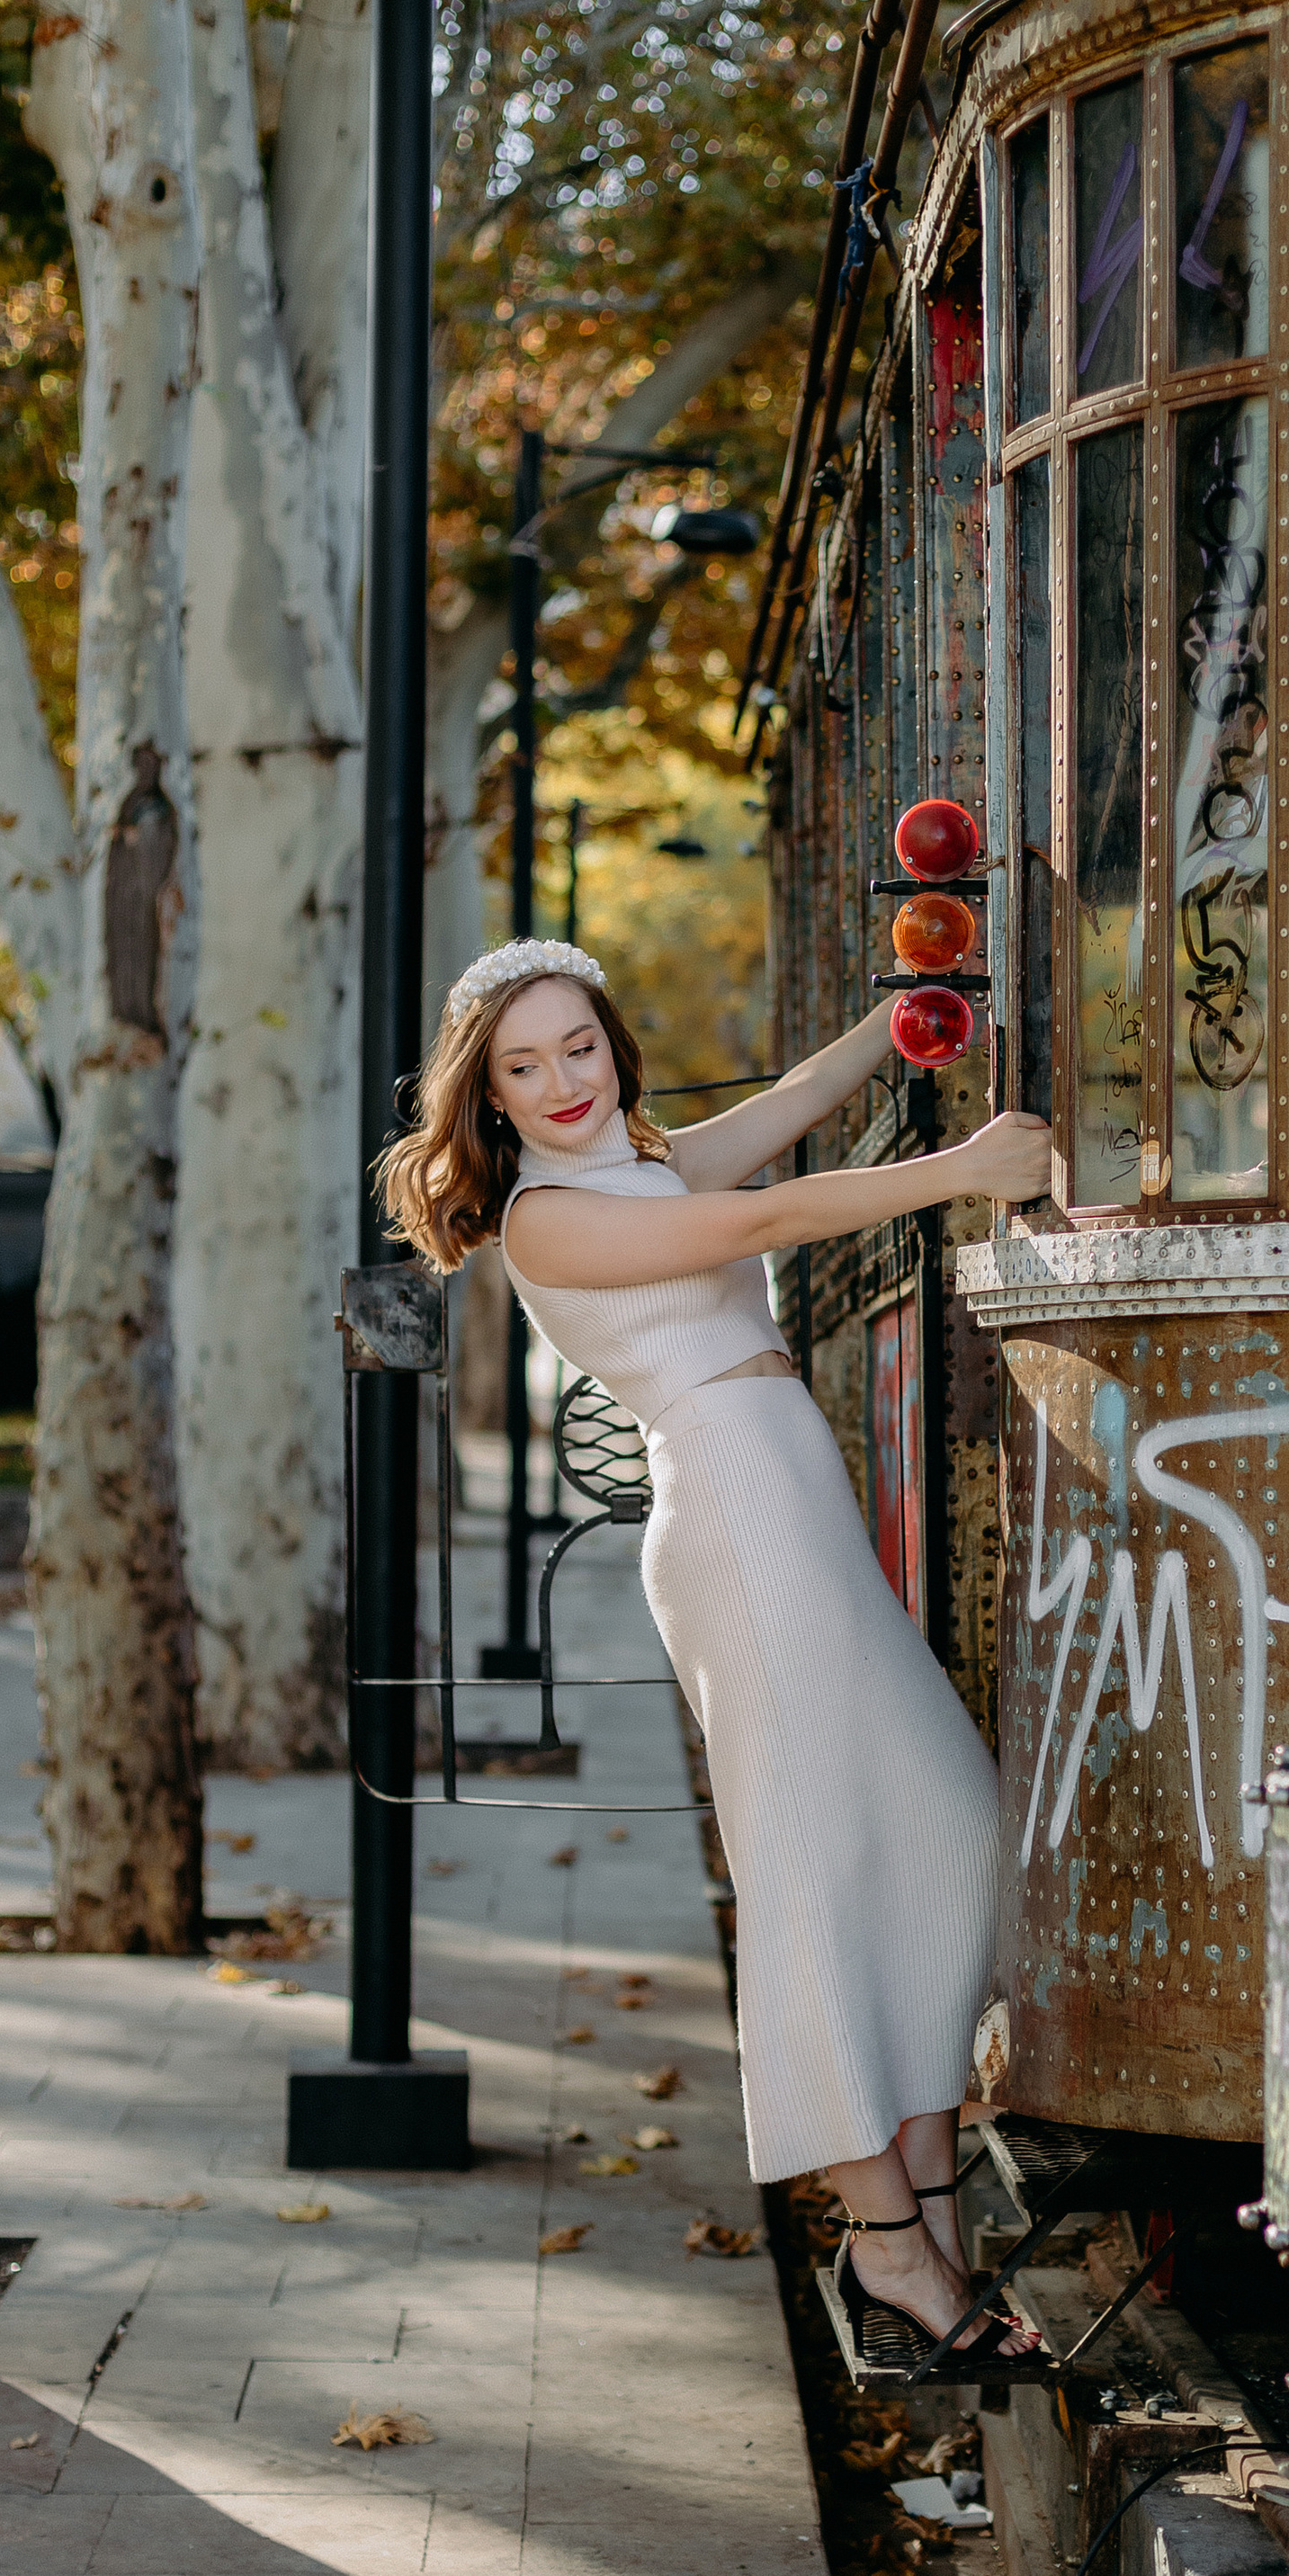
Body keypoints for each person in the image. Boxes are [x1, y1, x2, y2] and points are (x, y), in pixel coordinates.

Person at [378, 937, 1053, 2363]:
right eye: (523, 1067)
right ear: (487, 1100)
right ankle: (887, 2249)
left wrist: (904, 1014)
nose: (561, 1081)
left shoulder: (642, 1160)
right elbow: (770, 1221)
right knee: (806, 1864)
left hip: (787, 1492)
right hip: (733, 1514)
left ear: (614, 1044)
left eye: (578, 1046)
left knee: (942, 1823)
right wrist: (960, 1169)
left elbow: (796, 1105)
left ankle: (926, 2196)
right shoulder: (551, 1220)